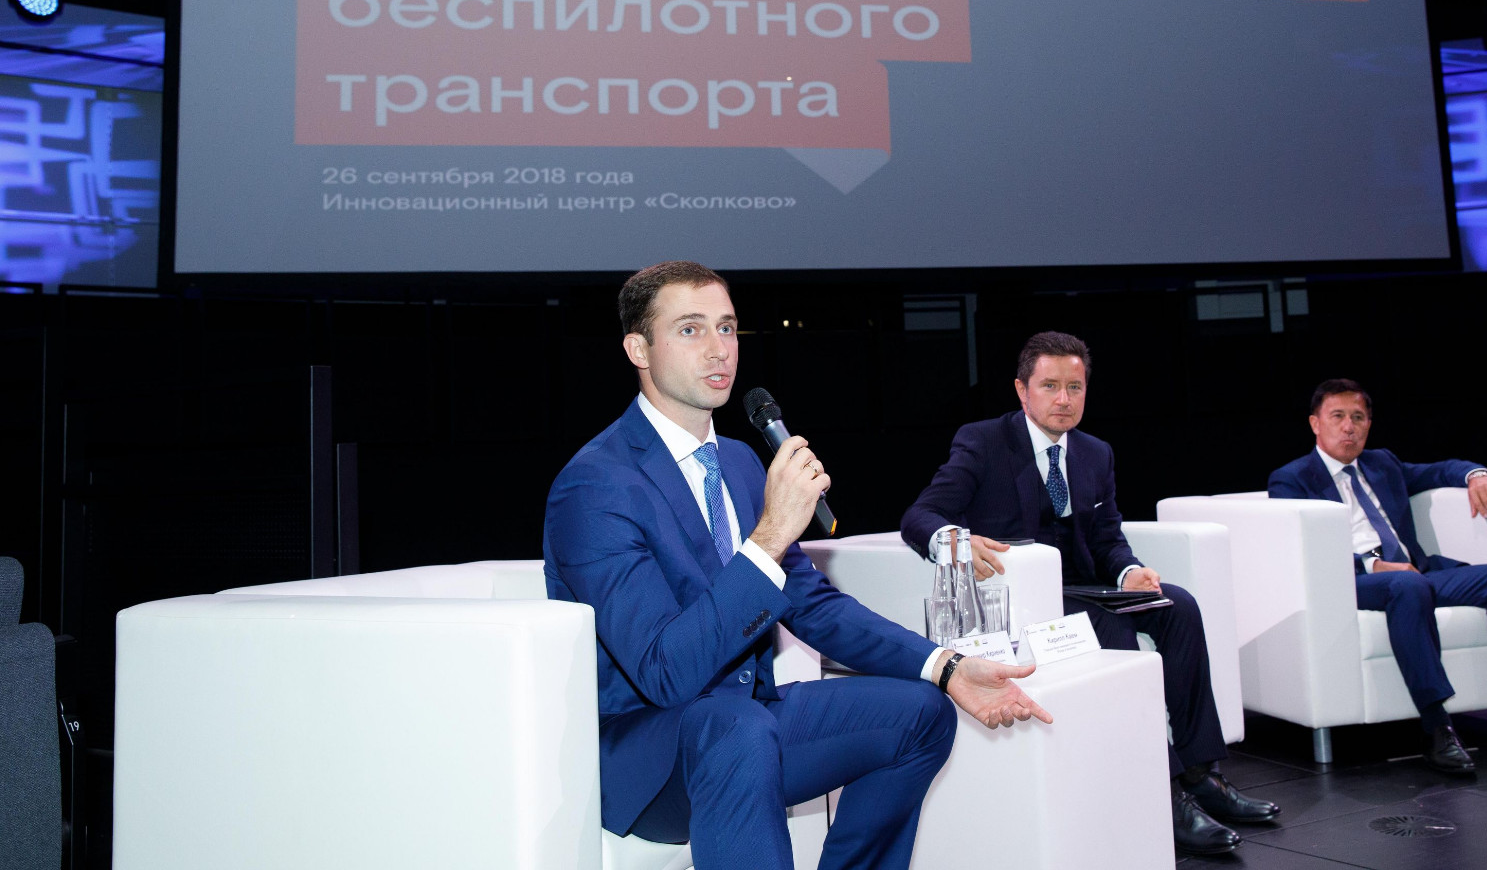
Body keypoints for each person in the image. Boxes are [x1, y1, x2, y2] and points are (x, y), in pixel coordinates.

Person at [543, 261, 1051, 870]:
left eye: (727, 327)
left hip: (749, 722)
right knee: (735, 729)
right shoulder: (596, 484)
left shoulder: (738, 461)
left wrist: (946, 666)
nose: (719, 349)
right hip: (651, 753)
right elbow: (663, 673)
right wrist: (770, 535)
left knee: (922, 713)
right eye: (690, 329)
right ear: (638, 349)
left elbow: (813, 605)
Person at [901, 331, 1276, 857]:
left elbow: (1107, 539)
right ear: (1022, 390)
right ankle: (1163, 792)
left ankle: (1200, 773)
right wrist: (954, 542)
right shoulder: (984, 442)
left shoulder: (1095, 453)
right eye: (1050, 386)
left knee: (1179, 606)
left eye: (1074, 387)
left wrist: (1129, 573)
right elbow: (919, 516)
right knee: (1111, 627)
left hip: (1086, 586)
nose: (1064, 399)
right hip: (1026, 595)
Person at [1268, 378, 1487, 773]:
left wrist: (1477, 474)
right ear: (1315, 423)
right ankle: (1436, 728)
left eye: (1358, 417)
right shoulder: (1292, 478)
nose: (1349, 427)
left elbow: (1441, 470)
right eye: (1337, 416)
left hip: (1415, 574)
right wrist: (1372, 565)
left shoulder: (1382, 464)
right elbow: (1300, 548)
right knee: (1407, 584)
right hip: (1351, 582)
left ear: (1369, 424)